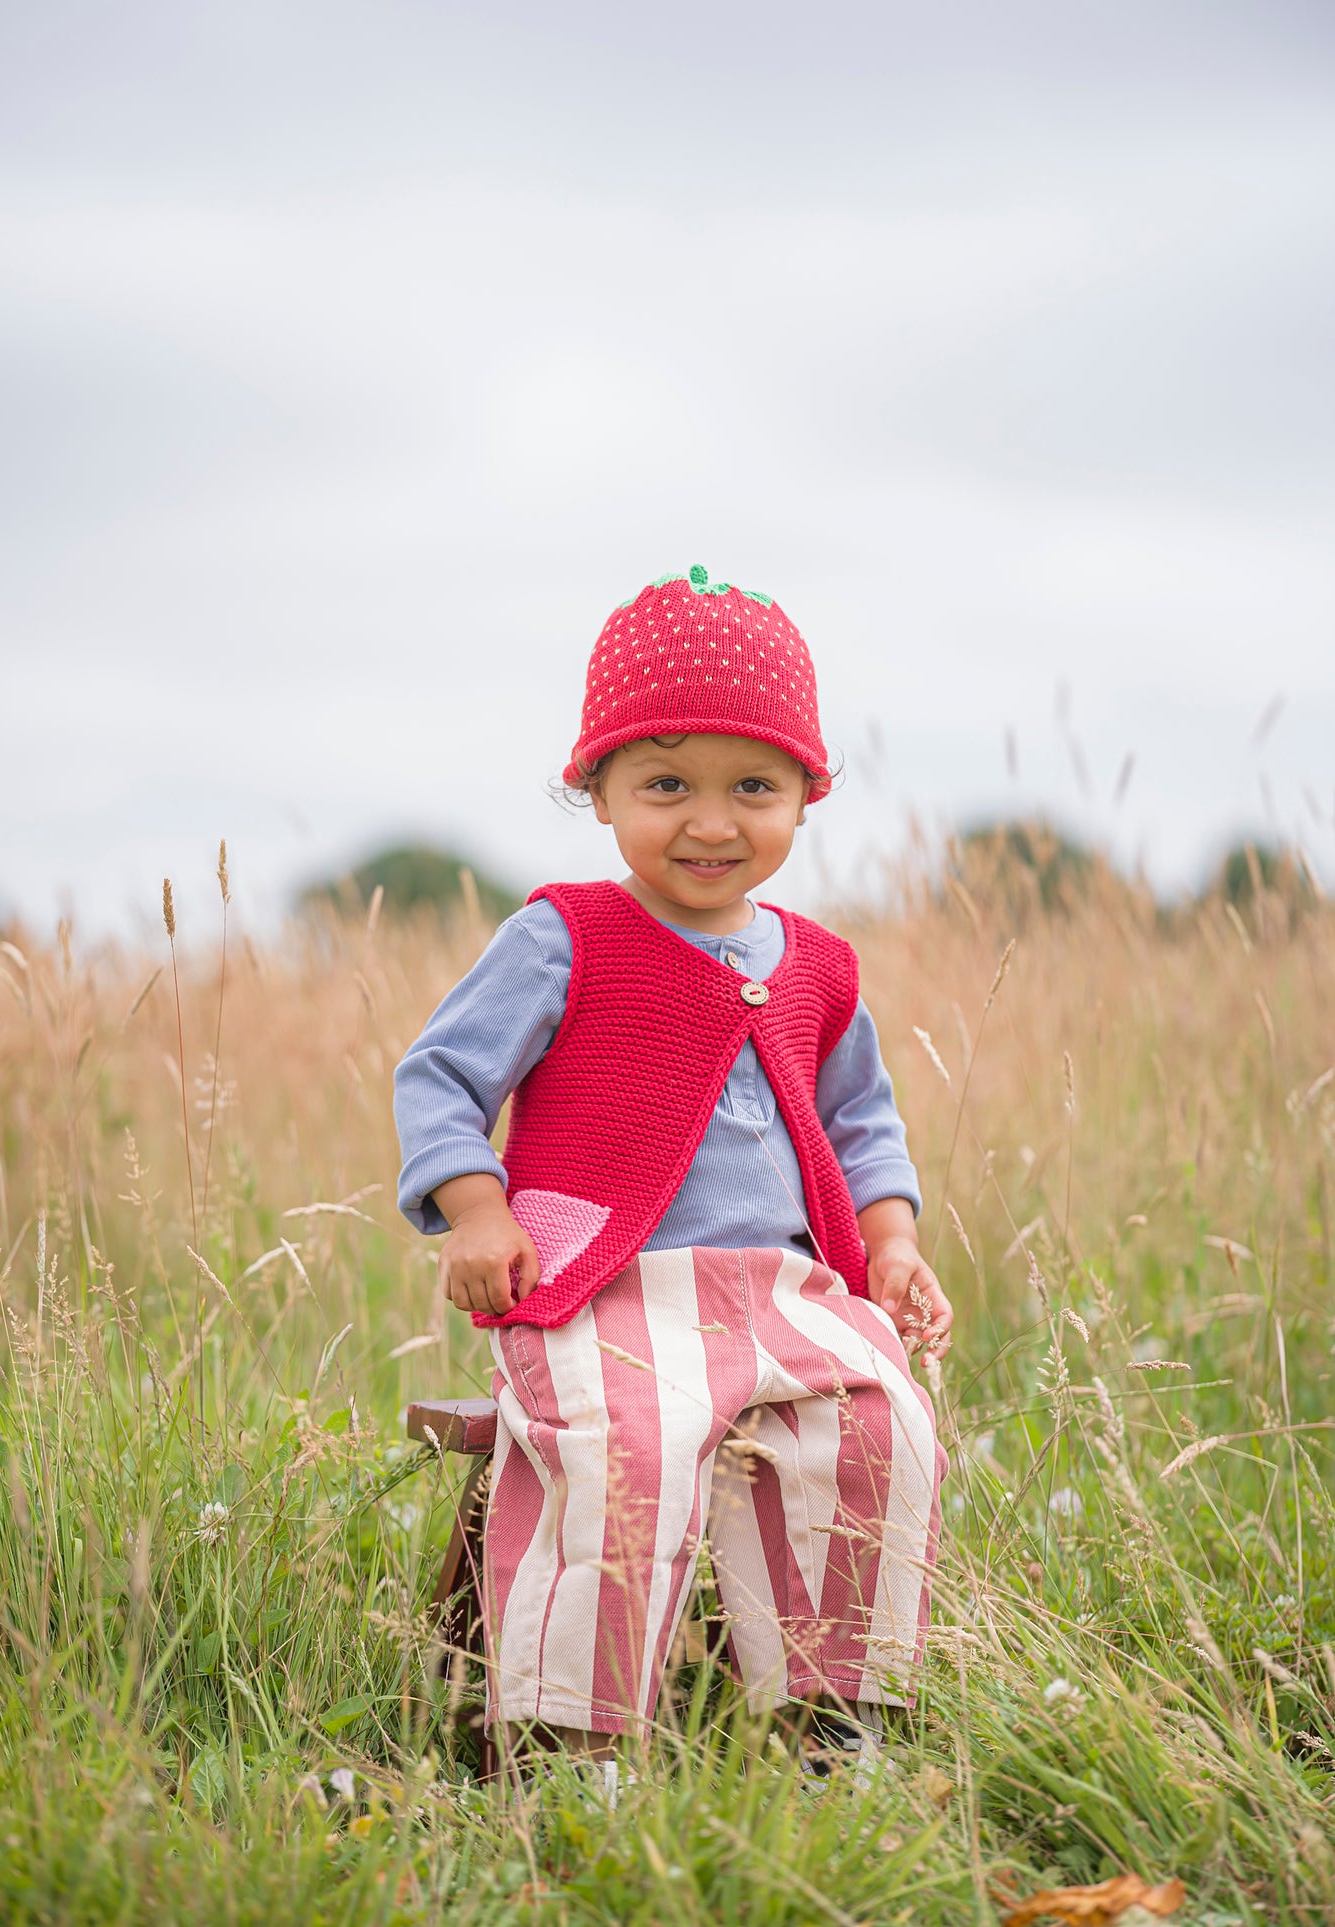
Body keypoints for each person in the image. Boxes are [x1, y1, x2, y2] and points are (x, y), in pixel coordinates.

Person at [395, 564, 950, 1780]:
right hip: (612, 1284)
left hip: (786, 1289)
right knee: (619, 1445)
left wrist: (891, 1241)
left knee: (878, 1428)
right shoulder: (563, 934)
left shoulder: (816, 964)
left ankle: (832, 1717)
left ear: (806, 794)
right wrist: (473, 1209)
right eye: (663, 785)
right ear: (595, 794)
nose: (709, 822)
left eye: (751, 785)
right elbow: (438, 1077)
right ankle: (568, 1736)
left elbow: (862, 1124)